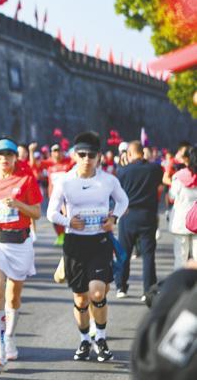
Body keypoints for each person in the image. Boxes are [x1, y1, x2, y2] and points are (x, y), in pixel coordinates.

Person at [47, 131, 129, 362]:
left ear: (99, 156)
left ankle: (100, 339)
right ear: (74, 155)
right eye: (82, 154)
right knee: (81, 299)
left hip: (99, 241)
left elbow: (123, 200)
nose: (86, 159)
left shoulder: (108, 180)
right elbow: (51, 212)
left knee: (97, 292)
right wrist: (68, 222)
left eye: (91, 155)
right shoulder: (65, 181)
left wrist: (114, 218)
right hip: (75, 243)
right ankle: (84, 340)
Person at [0, 137, 42, 366]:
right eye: (0, 154)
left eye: (9, 154)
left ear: (15, 158)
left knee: (13, 296)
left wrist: (18, 205)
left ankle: (10, 337)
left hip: (20, 242)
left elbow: (36, 213)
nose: (4, 158)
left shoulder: (26, 179)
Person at [115, 141, 163, 300]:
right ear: (143, 152)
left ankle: (121, 286)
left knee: (124, 252)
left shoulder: (122, 171)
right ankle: (148, 290)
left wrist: (123, 166)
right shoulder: (155, 169)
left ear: (129, 154)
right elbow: (159, 184)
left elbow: (118, 192)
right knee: (148, 255)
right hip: (147, 215)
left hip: (128, 214)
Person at [31, 143, 73, 246]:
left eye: (59, 151)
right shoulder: (48, 163)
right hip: (54, 196)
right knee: (54, 216)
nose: (57, 153)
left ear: (62, 152)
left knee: (68, 216)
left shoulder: (68, 162)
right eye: (55, 151)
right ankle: (60, 235)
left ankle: (69, 236)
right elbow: (33, 165)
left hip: (68, 196)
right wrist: (31, 151)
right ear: (51, 153)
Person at [168, 145, 196, 268]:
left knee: (180, 257)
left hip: (181, 221)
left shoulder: (178, 177)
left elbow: (172, 196)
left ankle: (180, 279)